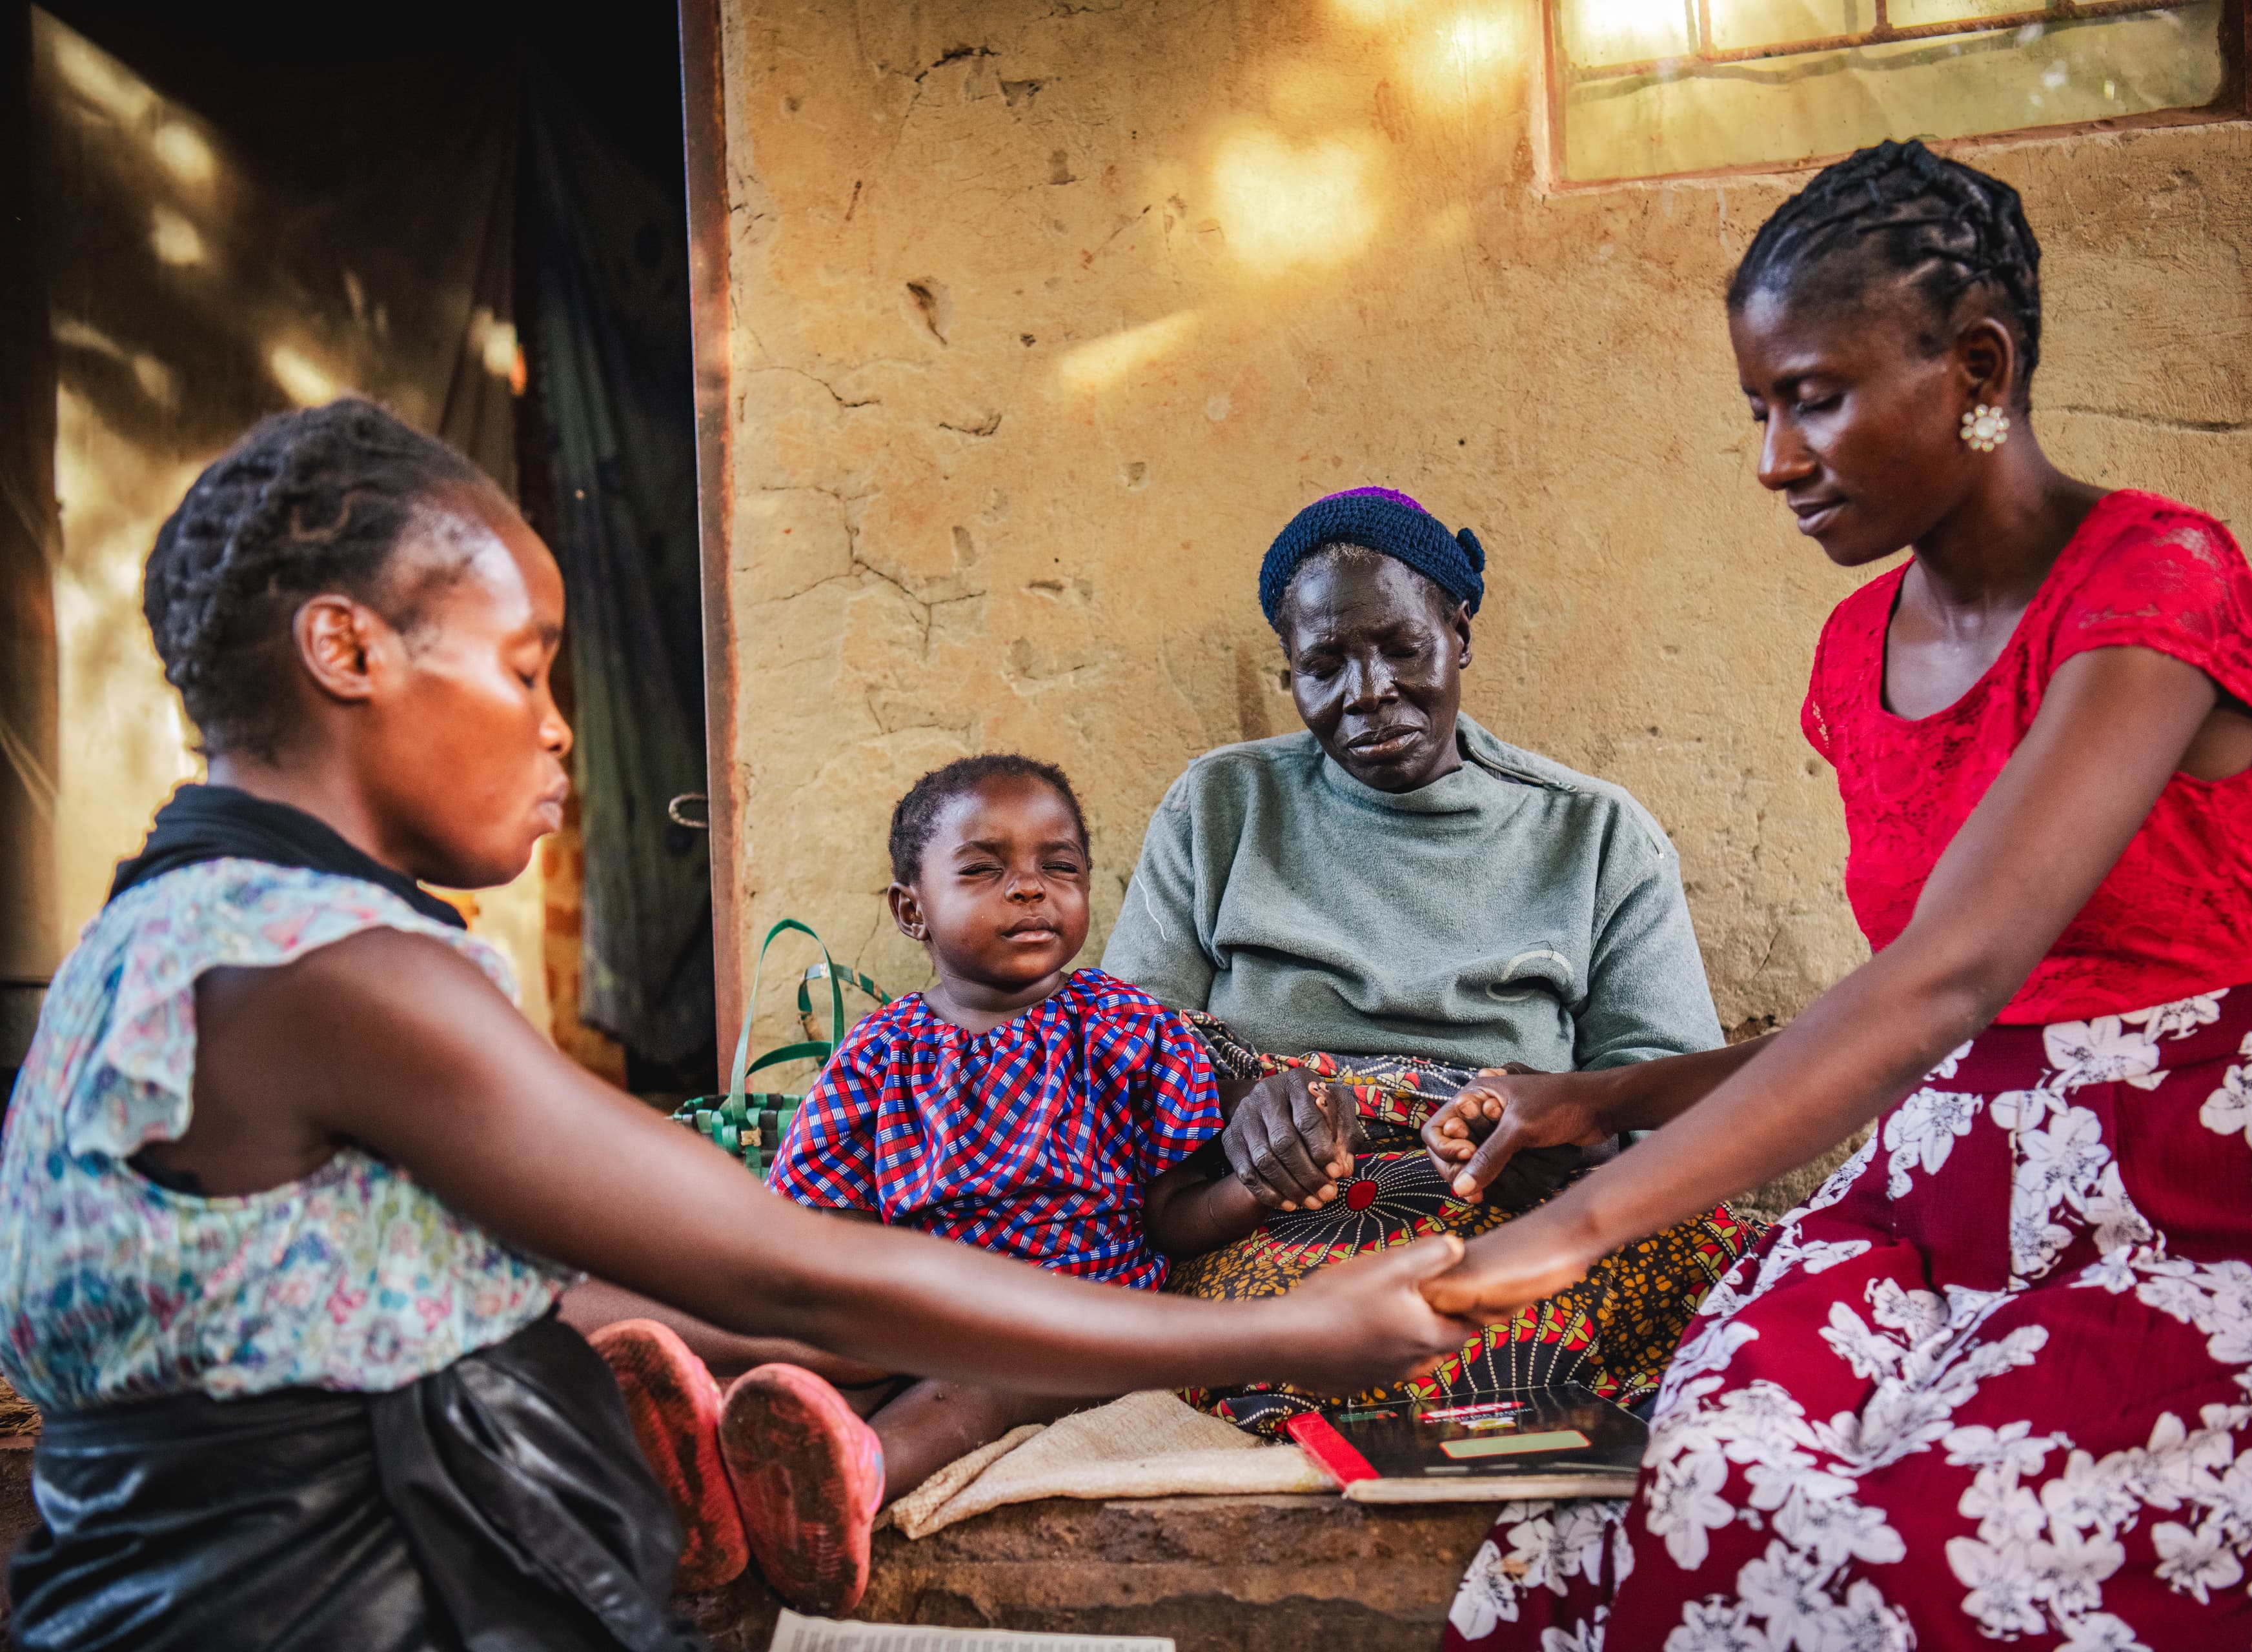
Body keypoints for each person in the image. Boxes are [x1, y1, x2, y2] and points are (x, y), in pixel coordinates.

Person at [0, 399, 1478, 1652]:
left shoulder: (157, 938)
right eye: (525, 667)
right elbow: (790, 1264)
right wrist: (1296, 1327)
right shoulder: (334, 971)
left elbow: (438, 1296)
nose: (560, 724)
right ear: (345, 648)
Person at [1421, 141, 2252, 1650]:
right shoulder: (1855, 655)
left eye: (1812, 395)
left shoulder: (2158, 582)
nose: (1773, 457)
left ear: (1978, 365)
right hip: (1926, 1194)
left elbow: (1953, 973)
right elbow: (1921, 1023)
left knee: (1940, 1550)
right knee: (1704, 1483)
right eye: (1757, 407)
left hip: (2168, 1207)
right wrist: (1620, 1092)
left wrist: (1583, 1227)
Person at [1102, 486, 1758, 1433]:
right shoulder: (1221, 808)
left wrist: (1575, 1128)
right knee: (1350, 1339)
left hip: (1522, 1207)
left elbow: (1681, 1106)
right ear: (1289, 677)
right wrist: (1241, 1110)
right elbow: (1125, 1051)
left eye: (1401, 648)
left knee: (1755, 1324)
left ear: (1459, 633)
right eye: (1325, 664)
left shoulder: (1595, 834)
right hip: (1288, 1211)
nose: (1368, 691)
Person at [595, 751, 1278, 1609]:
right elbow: (819, 1224)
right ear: (912, 910)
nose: (1030, 889)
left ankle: (848, 1491)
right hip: (910, 1305)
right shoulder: (882, 1053)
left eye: (1057, 867)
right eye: (984, 870)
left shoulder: (1131, 1029)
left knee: (970, 1388)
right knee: (810, 1376)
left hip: (1067, 1311)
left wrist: (1249, 1192)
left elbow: (1173, 1213)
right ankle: (704, 1473)